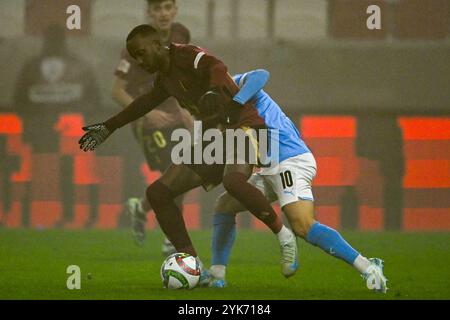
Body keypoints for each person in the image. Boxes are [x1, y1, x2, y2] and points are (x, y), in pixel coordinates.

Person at [79, 24, 299, 279]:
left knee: (233, 181)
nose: (140, 61)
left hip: (244, 125)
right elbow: (143, 104)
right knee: (158, 193)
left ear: (156, 44)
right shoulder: (164, 80)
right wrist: (109, 126)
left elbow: (217, 67)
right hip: (212, 138)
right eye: (134, 57)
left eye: (141, 53)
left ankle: (284, 237)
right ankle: (194, 264)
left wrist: (213, 91)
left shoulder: (185, 54)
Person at [203, 69, 388, 293]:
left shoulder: (233, 85)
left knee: (302, 225)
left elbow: (261, 74)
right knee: (225, 205)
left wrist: (237, 101)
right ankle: (217, 275)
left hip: (290, 159)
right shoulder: (212, 106)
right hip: (269, 166)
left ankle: (368, 267)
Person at [111, 0, 193, 253]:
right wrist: (149, 113)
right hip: (148, 122)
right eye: (157, 9)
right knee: (177, 170)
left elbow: (180, 74)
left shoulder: (182, 34)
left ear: (175, 10)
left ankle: (142, 207)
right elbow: (116, 91)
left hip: (177, 117)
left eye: (168, 7)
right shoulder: (135, 46)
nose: (163, 13)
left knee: (184, 172)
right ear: (149, 13)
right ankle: (172, 237)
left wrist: (186, 108)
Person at [14, 24, 101, 227]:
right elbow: (20, 100)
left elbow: (93, 101)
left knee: (71, 174)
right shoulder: (32, 66)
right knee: (36, 174)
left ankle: (73, 217)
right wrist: (35, 119)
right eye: (51, 39)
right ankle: (28, 218)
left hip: (70, 132)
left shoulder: (79, 66)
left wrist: (76, 118)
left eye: (57, 39)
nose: (54, 44)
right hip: (39, 132)